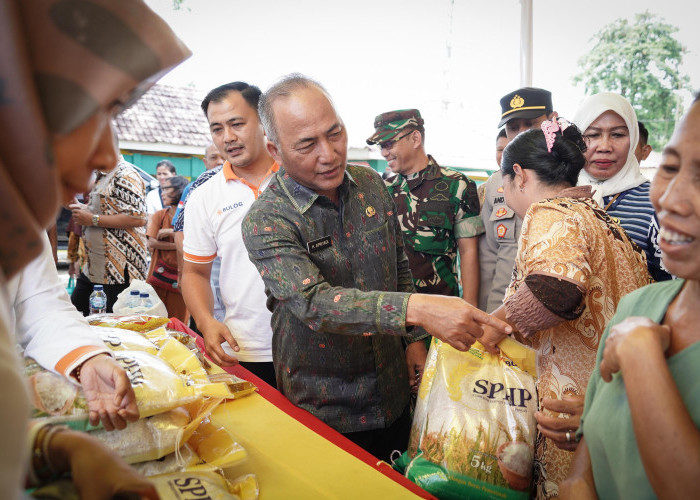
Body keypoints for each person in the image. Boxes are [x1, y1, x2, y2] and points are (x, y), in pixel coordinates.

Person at [242, 74, 511, 461]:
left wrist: (414, 338)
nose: (329, 153)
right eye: (307, 144)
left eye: (334, 133)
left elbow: (398, 264)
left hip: (393, 390)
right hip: (324, 407)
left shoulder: (370, 184)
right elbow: (314, 303)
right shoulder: (267, 220)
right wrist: (417, 310)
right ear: (275, 148)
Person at [0, 0, 190, 496]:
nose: (106, 153)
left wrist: (85, 362)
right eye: (100, 112)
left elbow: (35, 302)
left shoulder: (12, 221)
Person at [479, 119, 650, 498]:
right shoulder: (602, 219)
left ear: (519, 176)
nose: (505, 193)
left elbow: (558, 290)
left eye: (504, 183)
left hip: (569, 415)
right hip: (615, 406)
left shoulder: (549, 212)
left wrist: (496, 325)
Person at [181, 82, 279, 387]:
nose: (228, 137)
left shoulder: (300, 177)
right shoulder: (205, 196)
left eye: (237, 124)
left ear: (264, 121)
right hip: (246, 349)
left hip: (318, 347)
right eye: (217, 129)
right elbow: (195, 273)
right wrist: (206, 321)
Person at [367, 109, 483, 304]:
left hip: (442, 313)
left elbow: (469, 253)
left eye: (389, 144)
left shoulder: (457, 185)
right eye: (381, 146)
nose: (384, 152)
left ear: (415, 139)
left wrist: (470, 313)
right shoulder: (382, 191)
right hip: (397, 314)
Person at [574, 92, 671, 282]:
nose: (604, 146)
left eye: (617, 134)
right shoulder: (559, 196)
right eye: (592, 135)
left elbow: (671, 286)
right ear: (576, 141)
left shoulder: (657, 203)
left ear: (633, 139)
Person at [478, 87, 557, 312]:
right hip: (500, 314)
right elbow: (489, 258)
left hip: (556, 317)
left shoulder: (572, 177)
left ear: (552, 121)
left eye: (531, 124)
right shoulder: (496, 185)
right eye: (513, 128)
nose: (521, 134)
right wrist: (485, 317)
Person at [69, 152, 149, 315]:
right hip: (95, 265)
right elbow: (106, 210)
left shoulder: (125, 174)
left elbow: (138, 218)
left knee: (112, 325)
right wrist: (79, 208)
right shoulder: (102, 175)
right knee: (76, 315)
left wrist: (93, 219)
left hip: (118, 268)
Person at [172, 145, 226, 329]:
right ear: (205, 162)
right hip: (205, 275)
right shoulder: (196, 188)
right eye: (213, 157)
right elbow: (179, 232)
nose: (219, 161)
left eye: (222, 156)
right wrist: (187, 271)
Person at [147, 175, 189, 322]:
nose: (162, 193)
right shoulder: (160, 215)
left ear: (181, 190)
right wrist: (178, 243)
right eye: (161, 189)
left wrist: (171, 232)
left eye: (166, 189)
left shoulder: (191, 215)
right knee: (154, 323)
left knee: (177, 324)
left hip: (182, 279)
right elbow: (151, 243)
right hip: (158, 278)